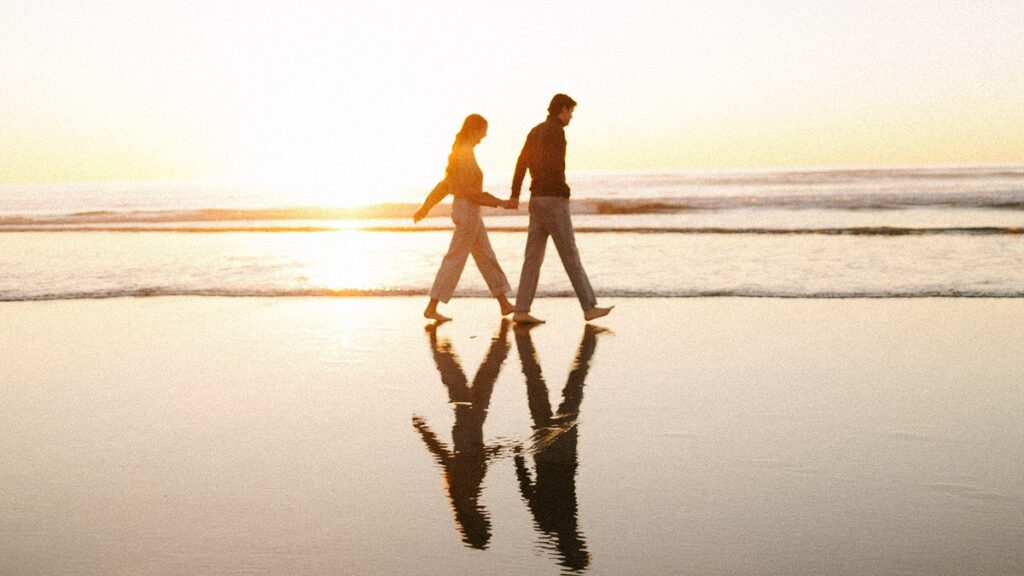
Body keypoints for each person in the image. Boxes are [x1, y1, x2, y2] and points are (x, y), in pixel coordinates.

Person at [509, 94, 612, 324]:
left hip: (535, 199)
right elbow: (556, 165)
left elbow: (521, 162)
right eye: (570, 111)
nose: (571, 117)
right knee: (570, 254)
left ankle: (521, 309)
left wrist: (515, 193)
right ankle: (589, 307)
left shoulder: (535, 131)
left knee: (532, 257)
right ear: (562, 110)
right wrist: (563, 190)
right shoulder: (557, 132)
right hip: (553, 200)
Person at [415, 114, 516, 322]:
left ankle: (504, 304)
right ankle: (432, 306)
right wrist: (501, 202)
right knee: (455, 259)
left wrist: (425, 207)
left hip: (468, 211)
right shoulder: (465, 154)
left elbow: (444, 186)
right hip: (468, 210)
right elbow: (472, 193)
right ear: (474, 130)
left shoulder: (461, 153)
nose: (484, 136)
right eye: (483, 131)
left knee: (486, 257)